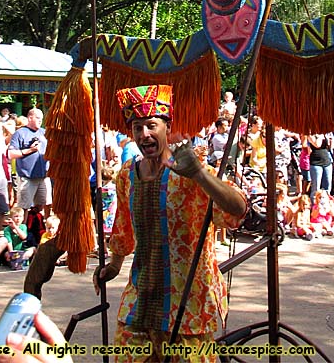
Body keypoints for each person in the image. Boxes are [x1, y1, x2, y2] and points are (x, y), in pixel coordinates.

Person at [93, 84, 246, 361]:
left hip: (190, 306)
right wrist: (114, 264)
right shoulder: (127, 174)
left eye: (151, 125)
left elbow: (237, 210)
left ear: (167, 126)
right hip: (140, 303)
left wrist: (199, 174)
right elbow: (123, 227)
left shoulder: (193, 168)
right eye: (137, 127)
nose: (144, 134)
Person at [8, 108, 51, 217]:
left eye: (41, 118)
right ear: (30, 118)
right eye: (37, 118)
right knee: (24, 207)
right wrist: (30, 150)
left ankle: (42, 229)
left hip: (44, 176)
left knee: (44, 204)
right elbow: (11, 154)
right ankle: (24, 230)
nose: (40, 120)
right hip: (27, 178)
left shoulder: (44, 132)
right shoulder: (20, 133)